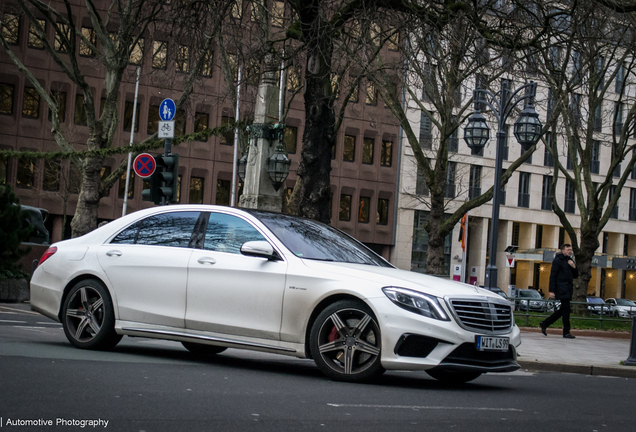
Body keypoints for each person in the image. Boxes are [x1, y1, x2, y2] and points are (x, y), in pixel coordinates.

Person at [540, 244, 578, 339]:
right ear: (563, 250)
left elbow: (576, 275)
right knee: (566, 309)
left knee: (564, 310)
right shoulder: (557, 260)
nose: (570, 251)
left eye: (570, 250)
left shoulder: (570, 261)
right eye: (568, 249)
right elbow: (553, 276)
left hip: (568, 288)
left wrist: (573, 266)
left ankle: (545, 323)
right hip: (561, 288)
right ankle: (566, 331)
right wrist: (551, 290)